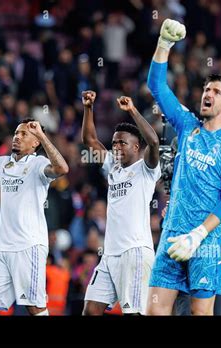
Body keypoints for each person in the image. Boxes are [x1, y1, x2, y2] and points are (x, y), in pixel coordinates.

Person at [146, 19, 221, 315]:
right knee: (154, 311)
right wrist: (164, 44)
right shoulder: (187, 124)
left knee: (200, 314)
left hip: (207, 241)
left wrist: (199, 235)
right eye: (206, 89)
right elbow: (156, 85)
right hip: (172, 233)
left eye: (216, 91)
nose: (207, 94)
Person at [0, 118, 69, 316]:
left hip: (29, 245)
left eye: (24, 134)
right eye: (16, 133)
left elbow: (62, 169)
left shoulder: (39, 164)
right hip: (3, 247)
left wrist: (42, 134)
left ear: (35, 142)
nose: (17, 137)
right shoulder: (3, 163)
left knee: (35, 307)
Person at [81, 91, 160, 315]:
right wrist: (88, 108)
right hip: (109, 255)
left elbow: (153, 141)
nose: (115, 147)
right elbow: (89, 140)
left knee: (133, 313)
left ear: (136, 147)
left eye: (122, 143)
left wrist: (132, 110)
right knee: (90, 310)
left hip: (134, 252)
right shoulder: (112, 167)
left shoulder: (146, 169)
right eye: (114, 143)